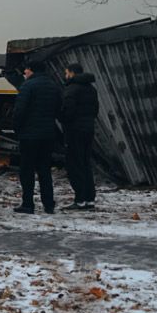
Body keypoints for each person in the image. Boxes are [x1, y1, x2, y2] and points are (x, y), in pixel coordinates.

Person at [13, 58, 63, 215]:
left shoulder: (27, 86)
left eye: (26, 70)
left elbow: (19, 111)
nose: (24, 73)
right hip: (47, 134)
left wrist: (18, 130)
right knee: (44, 170)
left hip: (29, 135)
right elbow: (58, 109)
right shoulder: (53, 86)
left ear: (32, 70)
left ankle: (28, 204)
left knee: (27, 170)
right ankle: (48, 204)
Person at [60, 63, 99, 211]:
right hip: (88, 129)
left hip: (74, 131)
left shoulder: (71, 89)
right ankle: (90, 199)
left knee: (75, 165)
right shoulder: (91, 89)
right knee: (86, 163)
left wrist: (61, 117)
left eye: (66, 73)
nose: (65, 76)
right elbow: (95, 110)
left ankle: (80, 199)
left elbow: (68, 112)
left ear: (71, 73)